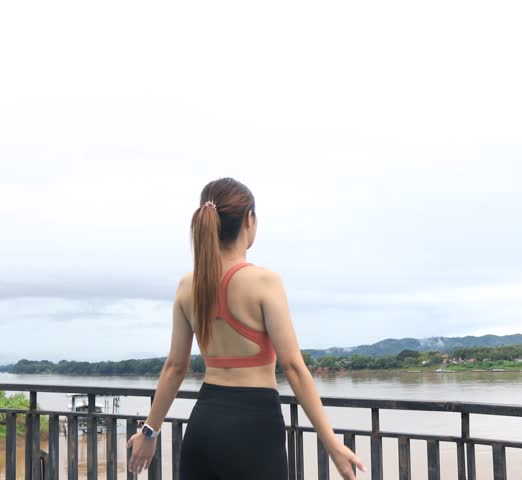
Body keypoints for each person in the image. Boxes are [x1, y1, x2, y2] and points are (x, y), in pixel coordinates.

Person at [127, 177, 366, 479]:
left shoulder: (188, 286)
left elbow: (175, 367)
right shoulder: (264, 282)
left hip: (203, 425)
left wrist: (150, 432)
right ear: (249, 220)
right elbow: (293, 367)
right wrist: (331, 443)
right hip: (253, 428)